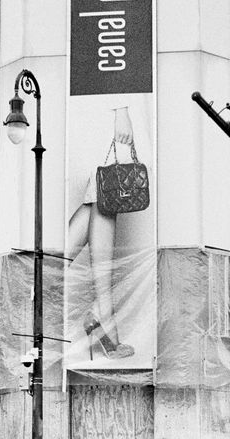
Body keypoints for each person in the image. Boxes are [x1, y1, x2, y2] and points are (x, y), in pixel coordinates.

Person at [68, 105, 138, 361]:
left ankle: (38, 282)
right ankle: (103, 314)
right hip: (109, 108)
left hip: (104, 109)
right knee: (106, 192)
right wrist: (121, 109)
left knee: (101, 195)